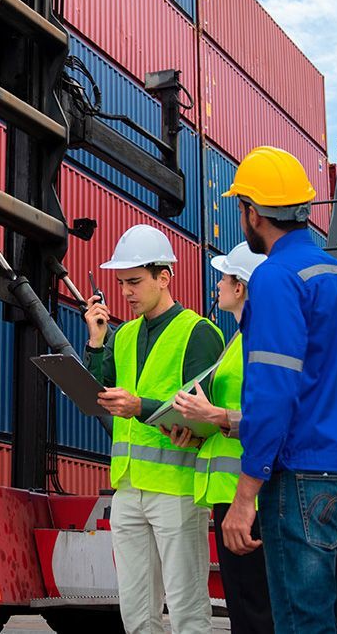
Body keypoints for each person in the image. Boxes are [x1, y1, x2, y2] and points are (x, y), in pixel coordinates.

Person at [218, 146, 337, 634]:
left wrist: (245, 496)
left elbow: (273, 391)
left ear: (253, 212)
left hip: (301, 479)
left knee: (304, 625)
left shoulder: (277, 278)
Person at [84, 224, 224, 634]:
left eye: (134, 282)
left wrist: (138, 406)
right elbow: (99, 392)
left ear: (164, 277)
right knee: (137, 611)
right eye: (121, 283)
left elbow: (208, 413)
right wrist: (95, 342)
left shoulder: (198, 333)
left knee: (187, 608)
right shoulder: (122, 334)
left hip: (176, 490)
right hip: (128, 490)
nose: (126, 292)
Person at [167, 242, 274, 634]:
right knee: (245, 609)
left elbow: (275, 416)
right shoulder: (238, 340)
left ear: (241, 287)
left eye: (223, 277)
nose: (217, 286)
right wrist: (196, 433)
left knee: (257, 610)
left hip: (251, 495)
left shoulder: (260, 341)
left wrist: (213, 415)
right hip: (229, 491)